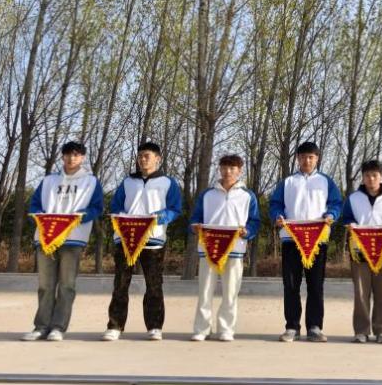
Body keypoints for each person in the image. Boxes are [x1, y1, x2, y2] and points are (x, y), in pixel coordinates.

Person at [21, 140, 104, 342]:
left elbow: (96, 208)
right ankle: (41, 326)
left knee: (67, 285)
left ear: (82, 157)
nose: (71, 158)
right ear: (62, 156)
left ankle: (58, 327)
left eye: (76, 155)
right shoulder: (49, 180)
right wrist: (41, 218)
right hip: (46, 238)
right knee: (45, 285)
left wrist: (78, 218)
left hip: (73, 239)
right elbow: (34, 205)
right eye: (67, 154)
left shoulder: (91, 181)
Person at [101, 141, 182, 341]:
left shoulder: (168, 183)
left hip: (153, 240)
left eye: (147, 156)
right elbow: (116, 206)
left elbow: (175, 209)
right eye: (140, 156)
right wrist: (122, 217)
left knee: (154, 285)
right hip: (126, 239)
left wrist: (159, 218)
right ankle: (115, 326)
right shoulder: (128, 182)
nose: (143, 159)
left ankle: (155, 326)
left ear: (157, 159)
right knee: (120, 284)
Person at [269, 141, 343, 342]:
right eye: (302, 157)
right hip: (291, 239)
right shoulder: (287, 182)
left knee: (316, 285)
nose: (306, 161)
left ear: (317, 158)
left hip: (318, 240)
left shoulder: (326, 182)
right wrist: (277, 216)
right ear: (297, 159)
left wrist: (331, 214)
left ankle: (315, 327)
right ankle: (292, 326)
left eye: (310, 157)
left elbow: (336, 203)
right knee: (291, 284)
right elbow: (275, 204)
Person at [188, 153, 260, 342]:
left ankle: (226, 329)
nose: (228, 171)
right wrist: (195, 226)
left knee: (231, 292)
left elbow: (254, 221)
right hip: (208, 248)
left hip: (235, 249)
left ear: (239, 170)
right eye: (224, 167)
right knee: (205, 291)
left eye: (232, 168)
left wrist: (247, 231)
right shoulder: (207, 194)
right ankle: (202, 329)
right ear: (219, 169)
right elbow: (195, 217)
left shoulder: (248, 196)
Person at [339, 159, 382, 344]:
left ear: (381, 176)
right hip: (359, 251)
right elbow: (346, 217)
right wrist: (350, 224)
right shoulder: (354, 198)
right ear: (363, 177)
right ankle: (361, 330)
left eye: (375, 175)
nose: (371, 179)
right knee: (361, 292)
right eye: (367, 175)